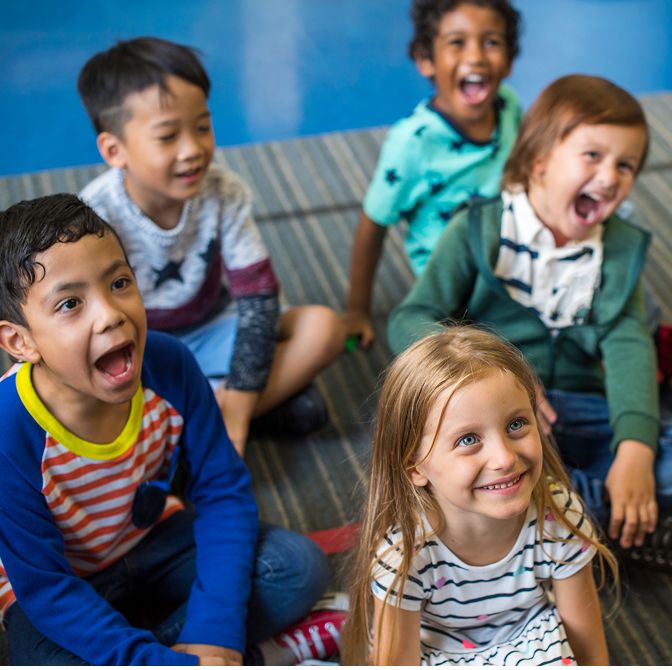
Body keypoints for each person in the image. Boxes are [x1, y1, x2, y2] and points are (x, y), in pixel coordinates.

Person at [0, 194, 332, 665]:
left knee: (296, 568)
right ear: (20, 341)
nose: (111, 313)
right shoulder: (8, 428)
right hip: (65, 585)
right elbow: (49, 591)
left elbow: (223, 491)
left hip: (157, 541)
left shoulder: (170, 362)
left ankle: (198, 650)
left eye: (119, 283)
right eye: (71, 303)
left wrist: (214, 630)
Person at [388, 74, 672, 567]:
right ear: (538, 160)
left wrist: (634, 452)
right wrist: (482, 380)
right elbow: (410, 317)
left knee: (649, 456)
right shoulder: (479, 229)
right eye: (592, 157)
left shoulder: (618, 250)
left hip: (583, 412)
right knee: (415, 441)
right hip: (496, 418)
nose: (610, 178)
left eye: (625, 166)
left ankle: (560, 513)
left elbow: (630, 347)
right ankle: (595, 519)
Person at [77, 37, 344, 456]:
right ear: (115, 150)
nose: (194, 149)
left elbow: (259, 302)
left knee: (325, 328)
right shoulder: (95, 213)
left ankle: (208, 417)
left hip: (215, 327)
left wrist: (236, 411)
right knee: (82, 387)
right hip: (143, 348)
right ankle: (247, 406)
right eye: (168, 136)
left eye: (202, 126)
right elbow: (88, 320)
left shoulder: (224, 192)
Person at [342, 326, 617, 665]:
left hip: (528, 639)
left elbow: (588, 648)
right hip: (438, 652)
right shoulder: (404, 555)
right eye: (468, 440)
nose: (504, 458)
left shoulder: (556, 514)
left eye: (516, 424)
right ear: (415, 466)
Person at [343, 0, 523, 348]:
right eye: (457, 42)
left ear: (510, 60)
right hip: (452, 285)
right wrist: (357, 310)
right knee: (458, 354)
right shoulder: (412, 143)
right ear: (426, 60)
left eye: (491, 42)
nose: (476, 57)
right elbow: (373, 222)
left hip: (511, 250)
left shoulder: (510, 105)